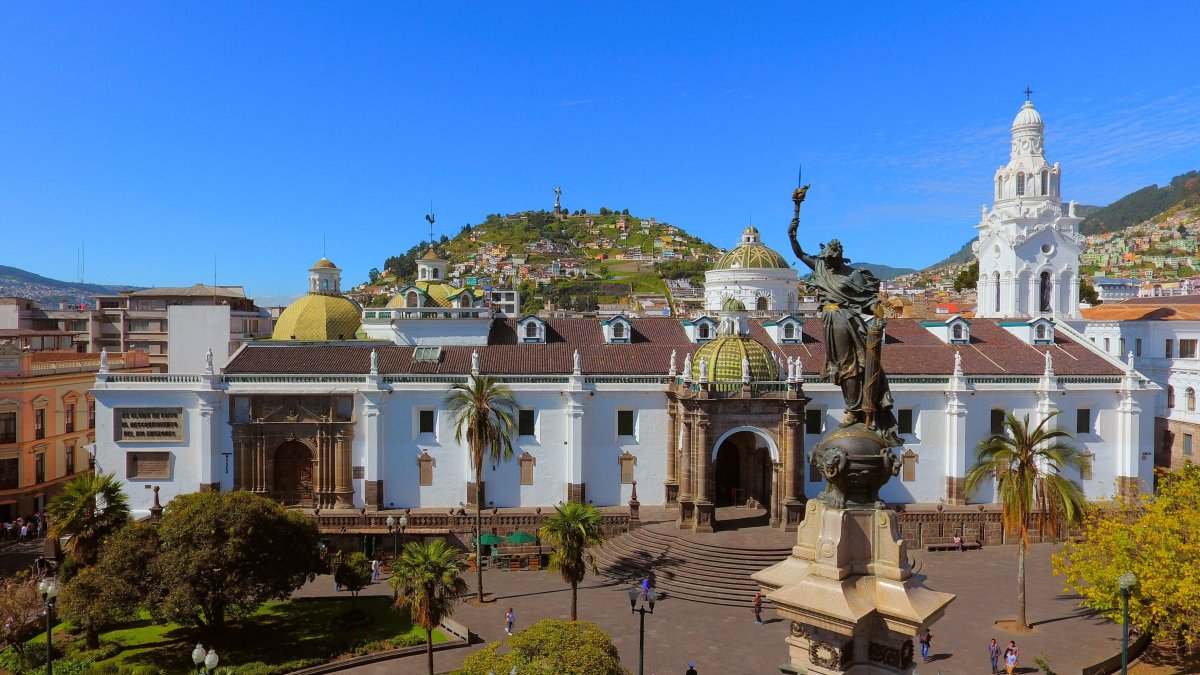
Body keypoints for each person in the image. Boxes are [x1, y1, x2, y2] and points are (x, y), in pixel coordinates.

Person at [788, 218, 901, 444]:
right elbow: (800, 255)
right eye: (825, 260)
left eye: (831, 260)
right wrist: (792, 234)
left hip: (845, 321)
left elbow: (868, 301)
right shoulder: (821, 267)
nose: (827, 264)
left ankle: (855, 410)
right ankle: (854, 408)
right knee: (841, 368)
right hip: (829, 321)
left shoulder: (853, 275)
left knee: (851, 367)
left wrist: (878, 314)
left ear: (839, 257)